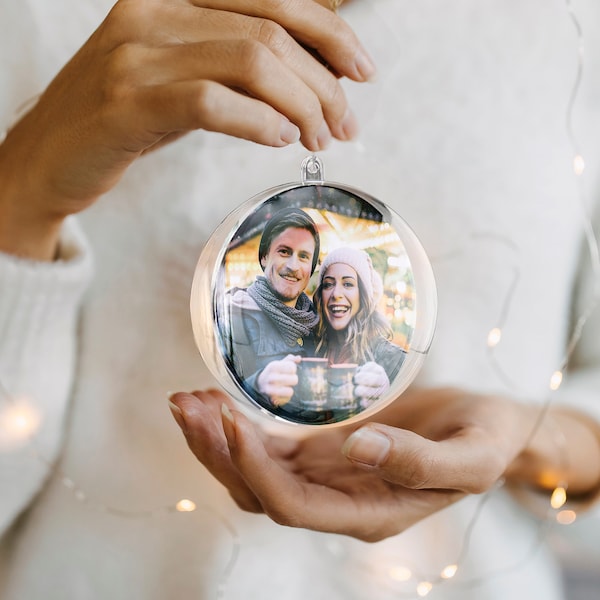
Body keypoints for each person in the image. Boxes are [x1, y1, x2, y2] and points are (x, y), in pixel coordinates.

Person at [2, 2, 600, 600]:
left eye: (322, 270)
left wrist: (530, 439)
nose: (315, 281)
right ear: (264, 261)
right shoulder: (34, 18)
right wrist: (22, 191)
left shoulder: (574, 29)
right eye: (299, 266)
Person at [224, 207, 320, 411]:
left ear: (311, 268)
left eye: (303, 256)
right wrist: (257, 386)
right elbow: (219, 396)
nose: (293, 266)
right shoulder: (232, 316)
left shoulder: (317, 324)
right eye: (284, 251)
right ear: (264, 257)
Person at [312, 246, 406, 408]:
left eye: (348, 284)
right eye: (328, 285)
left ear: (363, 295)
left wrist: (388, 400)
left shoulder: (393, 359)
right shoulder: (311, 347)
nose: (336, 294)